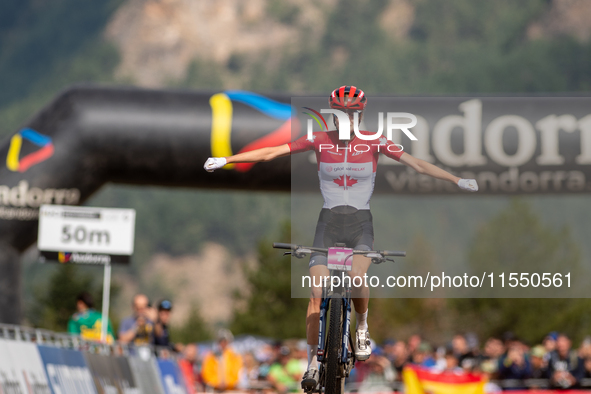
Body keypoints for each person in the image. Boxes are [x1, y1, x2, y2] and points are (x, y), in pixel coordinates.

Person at [204, 86, 478, 390]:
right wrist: (227, 159)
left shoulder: (374, 141)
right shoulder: (319, 141)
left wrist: (456, 179)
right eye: (340, 113)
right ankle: (312, 363)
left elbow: (416, 164)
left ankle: (361, 327)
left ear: (359, 115)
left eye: (352, 113)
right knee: (316, 293)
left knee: (358, 276)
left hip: (360, 223)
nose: (345, 119)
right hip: (329, 224)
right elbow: (272, 152)